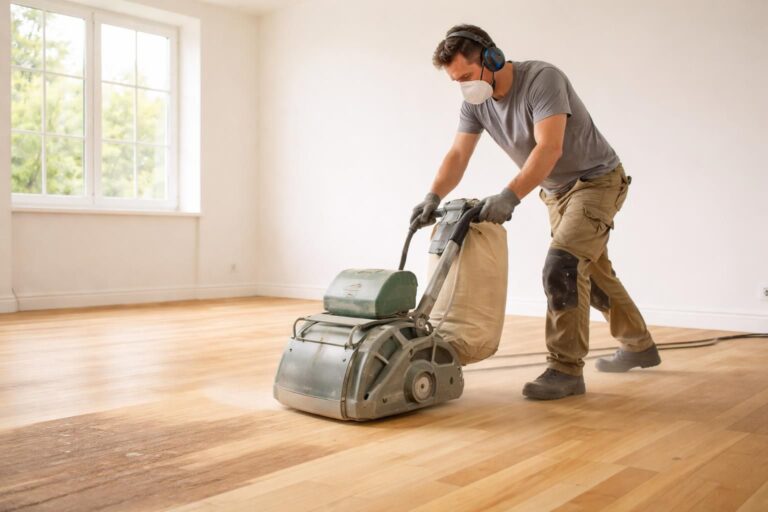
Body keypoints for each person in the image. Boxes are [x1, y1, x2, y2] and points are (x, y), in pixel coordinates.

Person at [411, 24, 661, 400]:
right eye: (455, 81)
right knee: (589, 271)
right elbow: (458, 154)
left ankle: (565, 370)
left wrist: (510, 195)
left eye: (466, 76)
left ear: (492, 58)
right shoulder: (475, 103)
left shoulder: (543, 79)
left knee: (562, 265)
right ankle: (638, 344)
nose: (463, 86)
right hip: (556, 192)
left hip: (596, 181)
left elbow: (550, 148)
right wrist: (433, 194)